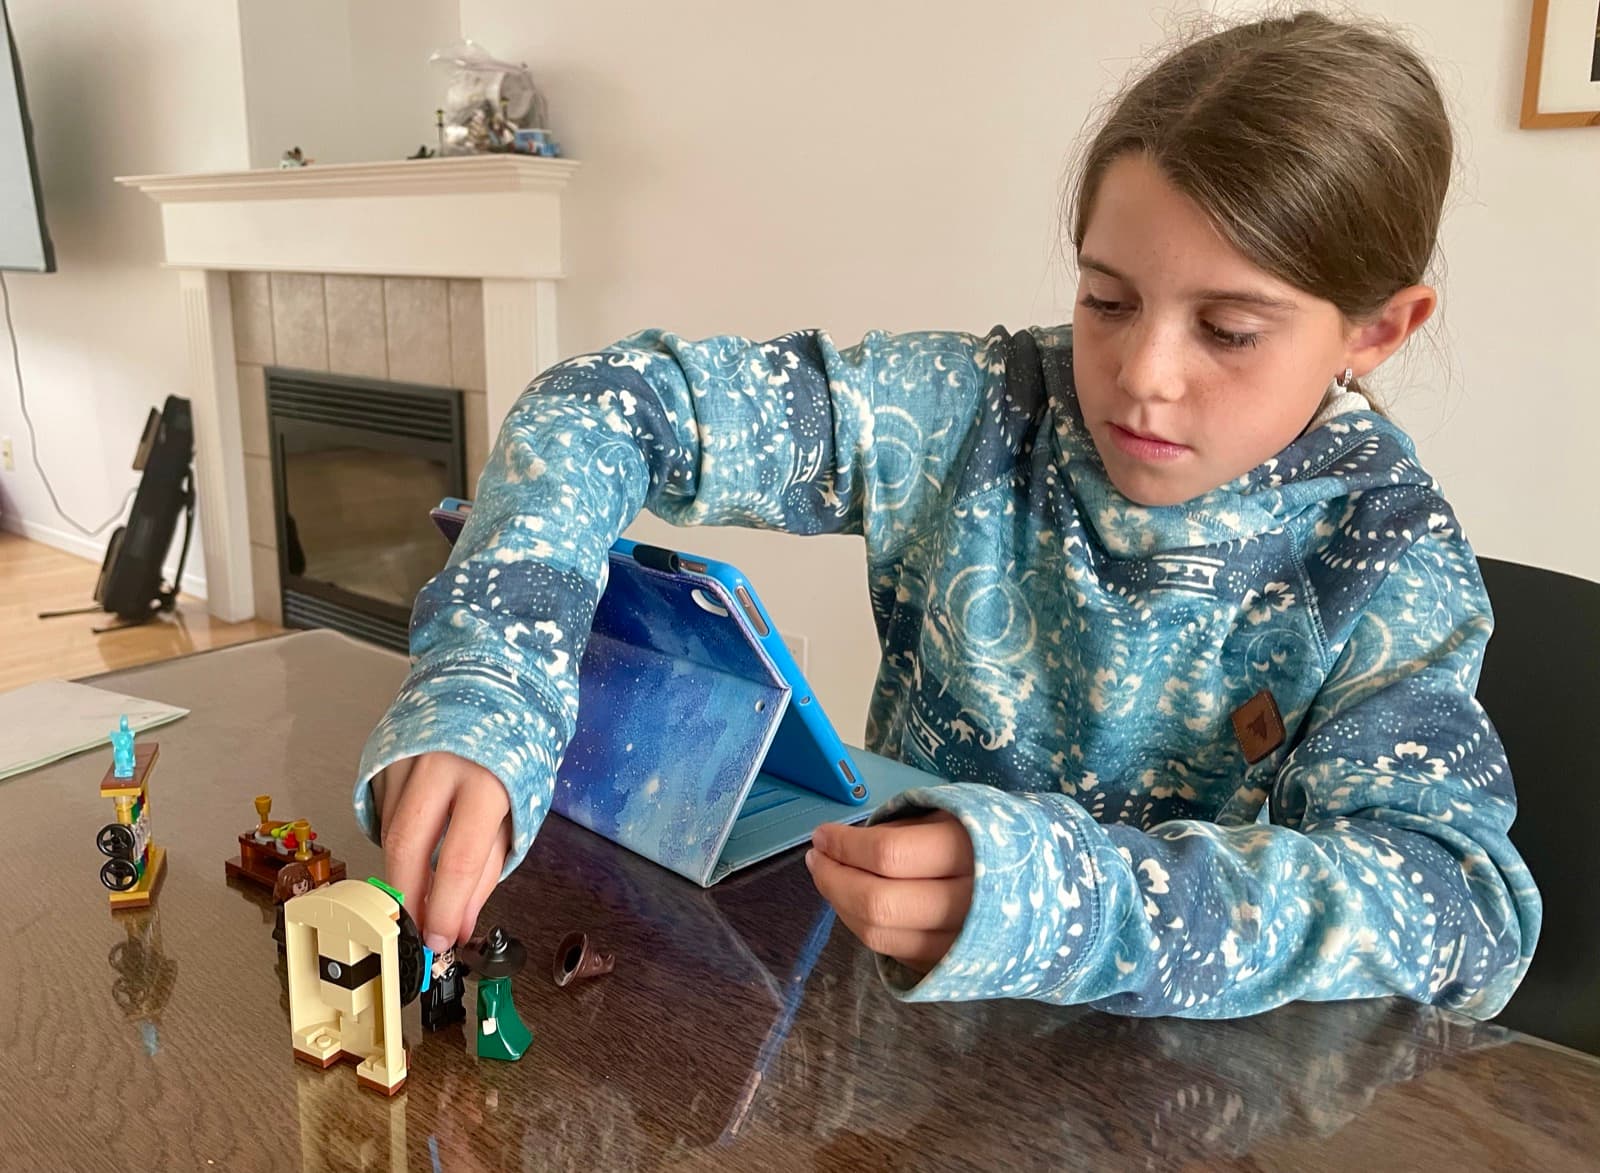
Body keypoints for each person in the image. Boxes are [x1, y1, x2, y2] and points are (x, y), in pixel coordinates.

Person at [355, 11, 1540, 1017]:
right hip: (896, 1056)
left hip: (1193, 1110)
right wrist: (491, 679)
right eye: (1105, 300)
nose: (1143, 375)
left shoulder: (1386, 555)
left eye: (1228, 330)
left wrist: (1058, 902)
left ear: (1377, 329)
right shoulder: (975, 408)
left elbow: (1459, 911)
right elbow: (603, 406)